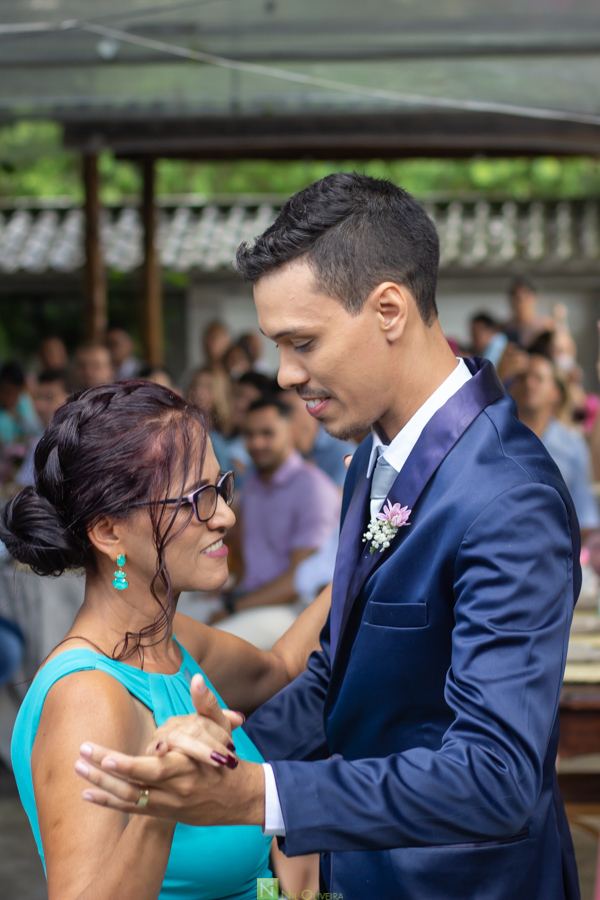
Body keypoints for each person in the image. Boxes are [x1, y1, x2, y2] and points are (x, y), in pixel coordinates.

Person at [76, 175, 580, 900]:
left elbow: (495, 776)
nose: (285, 374)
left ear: (388, 310)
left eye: (302, 341)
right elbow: (345, 682)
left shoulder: (508, 495)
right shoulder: (375, 452)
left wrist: (262, 796)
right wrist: (223, 755)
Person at [2, 380, 329, 900]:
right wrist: (161, 806)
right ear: (109, 533)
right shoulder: (89, 696)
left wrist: (374, 535)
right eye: (196, 499)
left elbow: (282, 667)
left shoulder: (170, 641)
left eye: (220, 486)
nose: (225, 515)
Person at [213, 396, 341, 648]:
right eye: (249, 434)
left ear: (291, 431)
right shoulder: (253, 486)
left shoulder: (313, 490)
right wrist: (232, 592)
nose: (257, 443)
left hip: (294, 610)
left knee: (206, 645)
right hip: (250, 598)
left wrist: (233, 607)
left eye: (267, 433)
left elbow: (299, 581)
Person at [511, 352, 599, 535]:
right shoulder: (497, 438)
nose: (529, 383)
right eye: (522, 377)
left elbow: (585, 516)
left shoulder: (573, 445)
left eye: (538, 378)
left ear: (555, 392)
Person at [15, 368, 71, 487]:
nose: (40, 406)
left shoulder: (82, 440)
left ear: (72, 398)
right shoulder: (42, 438)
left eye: (49, 397)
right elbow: (22, 487)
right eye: (37, 397)